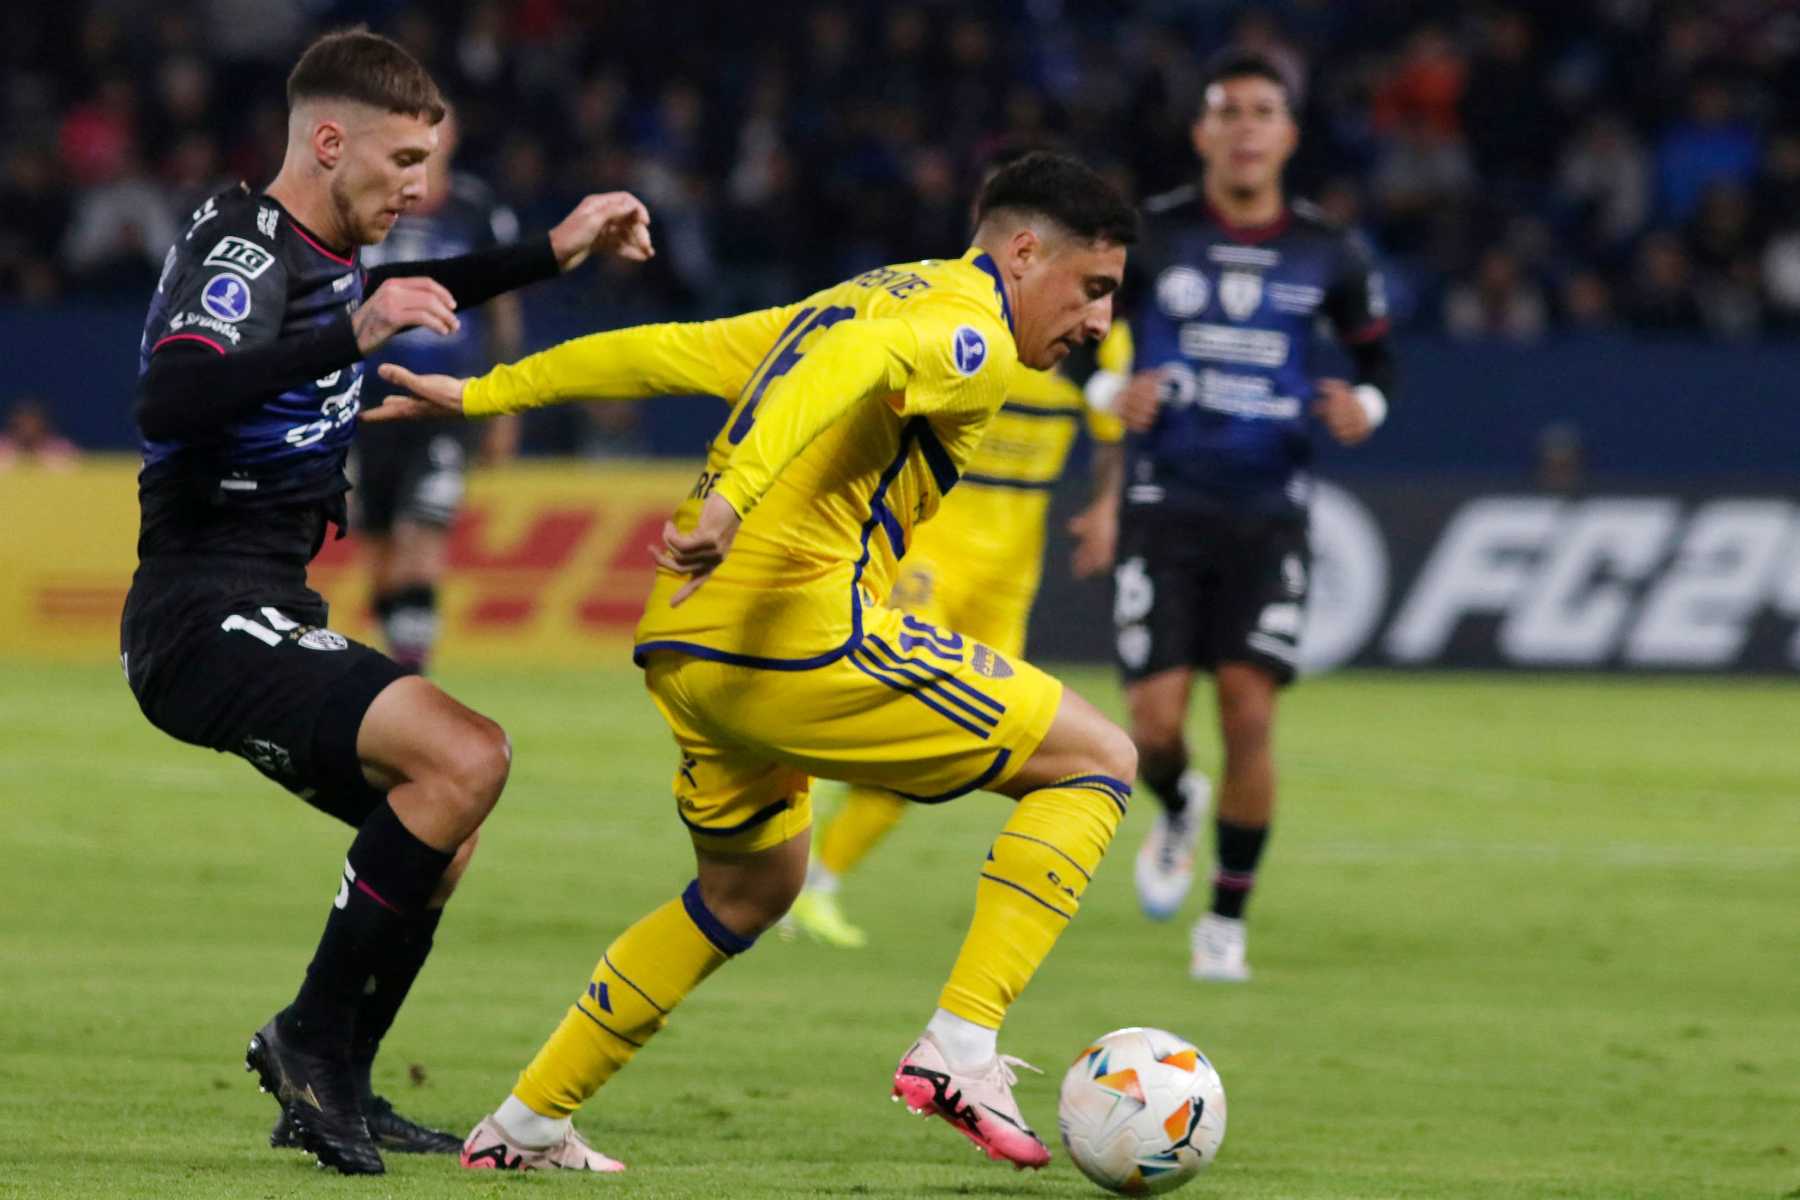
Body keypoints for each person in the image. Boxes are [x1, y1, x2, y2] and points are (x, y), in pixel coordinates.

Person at [369, 151, 1140, 1173]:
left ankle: (525, 1124)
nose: (1095, 321)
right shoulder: (970, 330)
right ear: (1026, 250)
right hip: (795, 634)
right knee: (1099, 760)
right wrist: (732, 493)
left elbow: (671, 352)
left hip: (690, 650)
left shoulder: (869, 295)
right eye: (1093, 289)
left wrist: (483, 397)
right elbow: (841, 374)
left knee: (748, 892)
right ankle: (962, 1043)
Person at [119, 29, 652, 1175]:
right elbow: (172, 393)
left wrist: (552, 255)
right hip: (197, 612)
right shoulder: (246, 246)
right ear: (328, 141)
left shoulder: (332, 250)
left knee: (439, 828)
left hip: (268, 600)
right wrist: (347, 335)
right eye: (404, 157)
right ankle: (305, 1039)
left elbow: (426, 287)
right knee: (469, 757)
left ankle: (341, 1084)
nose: (419, 185)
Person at [1083, 52, 1398, 982]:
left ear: (1289, 135)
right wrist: (1109, 386)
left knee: (1250, 710)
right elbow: (1068, 323)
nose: (1248, 127)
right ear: (1203, 134)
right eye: (1230, 112)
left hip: (1270, 508)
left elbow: (1380, 362)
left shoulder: (1329, 250)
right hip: (1165, 500)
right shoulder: (1153, 237)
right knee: (1152, 725)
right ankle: (1178, 803)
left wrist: (1365, 408)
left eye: (1266, 112)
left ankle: (1224, 922)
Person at [786, 348, 1126, 949]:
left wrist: (1105, 507)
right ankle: (790, 826)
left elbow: (1113, 437)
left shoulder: (1100, 350)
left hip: (1008, 579)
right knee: (899, 706)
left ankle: (816, 882)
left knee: (951, 746)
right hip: (926, 552)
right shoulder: (980, 336)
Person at [354, 107, 524, 672]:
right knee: (378, 549)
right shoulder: (365, 200)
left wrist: (506, 404)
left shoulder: (477, 211)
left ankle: (410, 678)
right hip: (368, 402)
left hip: (444, 402)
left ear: (451, 136)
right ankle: (400, 656)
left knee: (419, 534)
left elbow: (503, 308)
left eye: (436, 128)